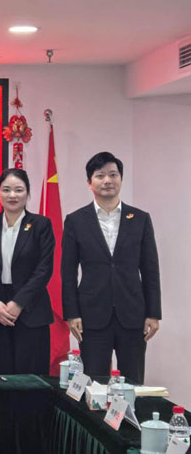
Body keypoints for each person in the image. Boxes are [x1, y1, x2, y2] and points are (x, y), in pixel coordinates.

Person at [61, 152, 161, 383]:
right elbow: (67, 272)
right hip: (91, 315)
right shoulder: (76, 220)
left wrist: (153, 313)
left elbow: (150, 270)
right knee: (94, 383)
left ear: (121, 179)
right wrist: (72, 313)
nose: (107, 180)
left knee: (132, 383)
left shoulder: (140, 219)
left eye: (113, 175)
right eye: (100, 175)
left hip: (133, 315)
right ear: (90, 182)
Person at [0, 168, 55, 374]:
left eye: (19, 190)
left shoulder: (41, 225)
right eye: (6, 189)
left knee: (32, 377)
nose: (12, 195)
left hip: (31, 309)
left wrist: (19, 303)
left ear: (27, 193)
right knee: (0, 376)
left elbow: (44, 268)